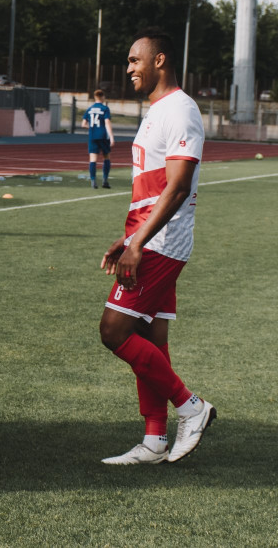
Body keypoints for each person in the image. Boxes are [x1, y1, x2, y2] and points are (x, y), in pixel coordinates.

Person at [99, 27, 215, 466]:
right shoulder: (157, 110)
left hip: (163, 241)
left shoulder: (181, 110)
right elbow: (151, 188)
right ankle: (154, 440)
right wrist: (127, 238)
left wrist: (139, 243)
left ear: (159, 60)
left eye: (134, 60)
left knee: (114, 331)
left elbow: (178, 186)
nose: (128, 68)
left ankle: (191, 407)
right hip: (147, 237)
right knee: (150, 336)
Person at [83, 89, 115, 189]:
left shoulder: (89, 109)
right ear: (103, 97)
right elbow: (107, 122)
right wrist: (111, 136)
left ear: (95, 97)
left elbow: (83, 124)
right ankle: (105, 181)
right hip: (103, 136)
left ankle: (93, 181)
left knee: (93, 159)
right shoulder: (105, 108)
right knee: (106, 157)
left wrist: (92, 128)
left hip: (92, 136)